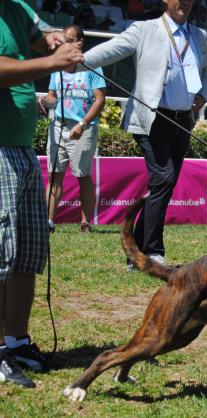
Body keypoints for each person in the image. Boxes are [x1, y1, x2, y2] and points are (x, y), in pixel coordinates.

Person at [81, 0, 207, 266]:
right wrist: (78, 60)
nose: (185, 2)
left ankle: (135, 253)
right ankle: (153, 251)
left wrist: (202, 93)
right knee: (163, 177)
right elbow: (109, 50)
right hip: (151, 118)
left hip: (182, 120)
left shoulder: (200, 36)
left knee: (164, 184)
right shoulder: (144, 29)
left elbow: (205, 70)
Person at [0, 0, 83, 387]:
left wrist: (51, 40)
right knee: (1, 254)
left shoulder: (16, 6)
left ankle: (16, 341)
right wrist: (52, 63)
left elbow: (39, 35)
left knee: (27, 252)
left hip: (21, 148)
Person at [40, 24, 106, 233]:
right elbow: (53, 96)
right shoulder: (58, 66)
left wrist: (82, 124)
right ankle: (48, 222)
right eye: (64, 40)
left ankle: (85, 223)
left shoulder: (92, 66)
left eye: (69, 40)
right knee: (53, 175)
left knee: (82, 175)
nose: (64, 44)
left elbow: (100, 100)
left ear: (80, 42)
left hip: (83, 129)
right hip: (58, 126)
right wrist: (44, 101)